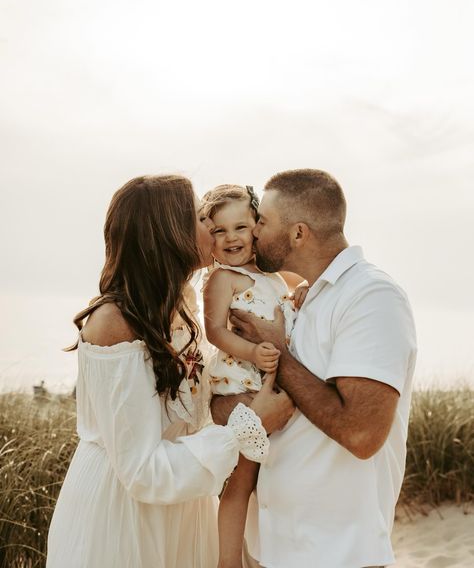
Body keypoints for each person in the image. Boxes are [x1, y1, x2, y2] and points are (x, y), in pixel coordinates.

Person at [46, 175, 294, 568]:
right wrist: (249, 425)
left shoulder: (181, 302)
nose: (211, 227)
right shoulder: (115, 322)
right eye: (199, 218)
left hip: (182, 500)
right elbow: (142, 470)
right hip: (124, 514)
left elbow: (185, 412)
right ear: (169, 232)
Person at [214, 169, 417, 568]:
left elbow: (361, 433)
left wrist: (273, 348)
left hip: (336, 553)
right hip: (273, 548)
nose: (254, 232)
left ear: (298, 233)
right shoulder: (302, 298)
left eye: (264, 222)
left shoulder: (372, 297)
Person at [200, 185, 298, 568]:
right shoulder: (222, 279)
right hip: (240, 381)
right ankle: (228, 562)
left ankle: (257, 555)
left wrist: (302, 293)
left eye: (240, 227)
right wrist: (251, 351)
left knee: (265, 481)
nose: (231, 238)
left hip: (272, 381)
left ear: (258, 227)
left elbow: (291, 302)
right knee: (241, 479)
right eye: (219, 231)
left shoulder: (274, 277)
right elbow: (215, 331)